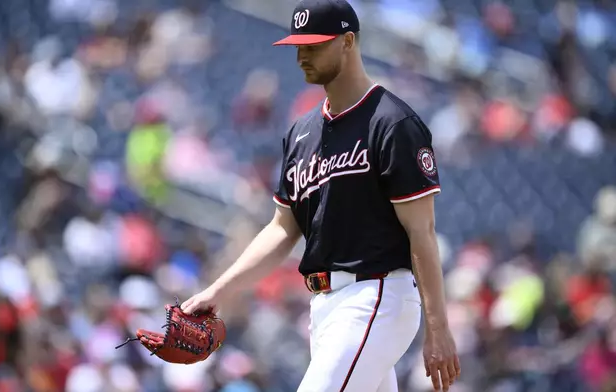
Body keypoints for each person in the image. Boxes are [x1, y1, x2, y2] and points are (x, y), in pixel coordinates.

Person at [181, 0, 461, 391]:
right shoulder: (301, 132)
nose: (302, 56)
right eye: (298, 46)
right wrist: (219, 290)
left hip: (376, 296)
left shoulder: (392, 122)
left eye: (313, 45)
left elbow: (422, 231)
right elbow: (282, 230)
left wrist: (438, 328)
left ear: (348, 41)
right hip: (325, 310)